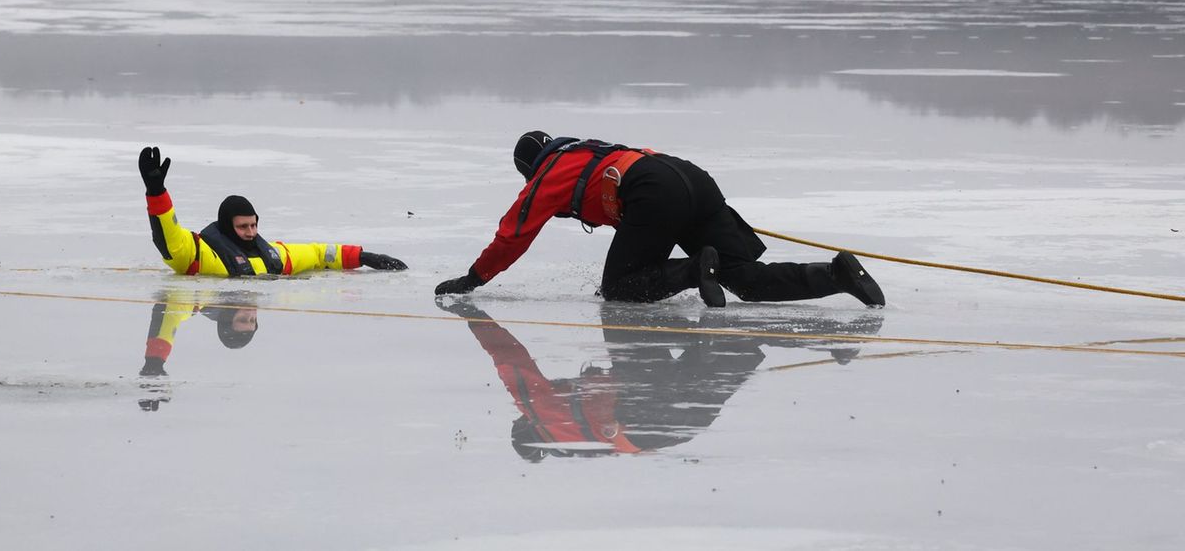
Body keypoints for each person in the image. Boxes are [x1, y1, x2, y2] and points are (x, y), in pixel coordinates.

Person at [434, 132, 884, 308]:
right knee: (746, 280)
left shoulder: (546, 177)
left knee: (619, 289)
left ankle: (694, 268)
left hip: (652, 191)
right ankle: (836, 273)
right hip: (689, 177)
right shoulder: (591, 150)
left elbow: (513, 234)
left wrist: (473, 279)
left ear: (529, 168)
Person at [437, 299, 884, 459]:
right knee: (727, 348)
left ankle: (832, 346)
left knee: (740, 354)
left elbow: (599, 398)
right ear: (526, 426)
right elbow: (508, 360)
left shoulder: (578, 444)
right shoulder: (537, 410)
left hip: (671, 435)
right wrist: (475, 318)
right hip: (643, 417)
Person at [139, 146, 407, 278]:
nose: (251, 232)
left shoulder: (275, 256)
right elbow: (168, 236)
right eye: (243, 227)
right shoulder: (195, 252)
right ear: (226, 226)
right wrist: (156, 192)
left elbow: (317, 254)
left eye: (253, 225)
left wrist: (363, 256)